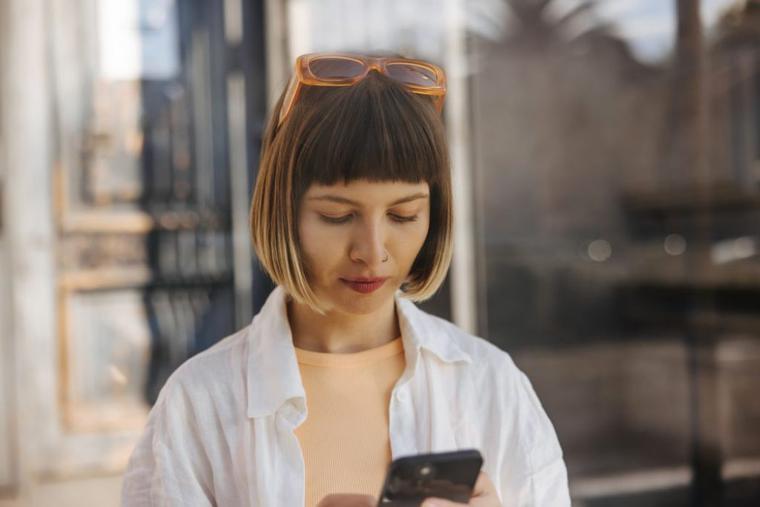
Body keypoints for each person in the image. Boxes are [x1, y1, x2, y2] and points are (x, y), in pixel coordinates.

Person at [121, 52, 570, 507]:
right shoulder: (200, 403)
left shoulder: (490, 384)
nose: (372, 251)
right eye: (337, 216)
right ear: (283, 211)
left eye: (403, 214)